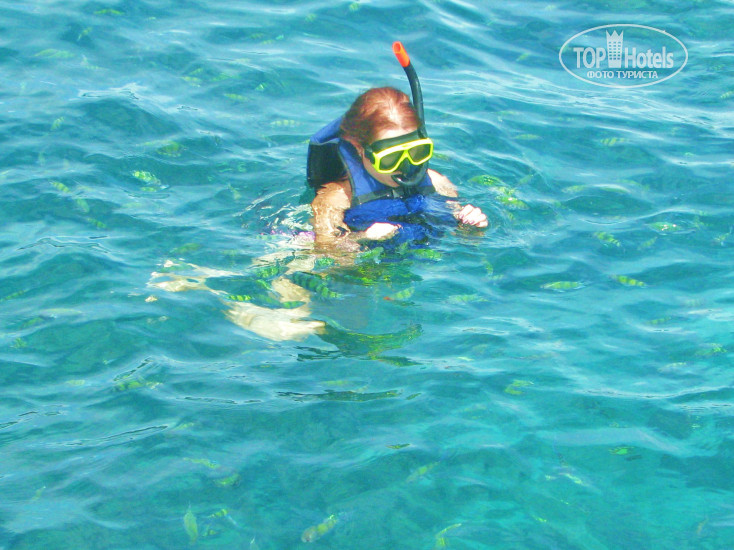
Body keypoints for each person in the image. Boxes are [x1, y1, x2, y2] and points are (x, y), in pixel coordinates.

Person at [307, 86, 487, 252]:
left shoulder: (436, 182)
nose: (405, 166)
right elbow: (326, 253)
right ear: (359, 148)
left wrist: (470, 225)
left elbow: (461, 238)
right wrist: (362, 238)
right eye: (391, 158)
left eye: (416, 152)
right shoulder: (337, 198)